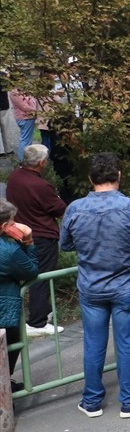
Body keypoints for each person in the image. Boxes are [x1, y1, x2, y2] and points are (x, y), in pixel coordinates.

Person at [61, 153, 130, 418]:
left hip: (91, 287)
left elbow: (65, 244)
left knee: (93, 343)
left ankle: (91, 400)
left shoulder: (75, 208)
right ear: (118, 176)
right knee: (127, 343)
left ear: (91, 179)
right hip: (125, 285)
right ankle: (129, 400)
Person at [5, 144, 67, 337]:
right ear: (41, 162)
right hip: (43, 237)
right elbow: (59, 208)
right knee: (41, 278)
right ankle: (37, 322)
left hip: (19, 233)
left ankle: (40, 313)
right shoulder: (41, 186)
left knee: (29, 276)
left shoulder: (14, 177)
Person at [0, 199, 39, 391]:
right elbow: (30, 270)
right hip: (4, 309)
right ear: (5, 226)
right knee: (9, 345)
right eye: (12, 222)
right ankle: (4, 387)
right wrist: (28, 239)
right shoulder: (8, 252)